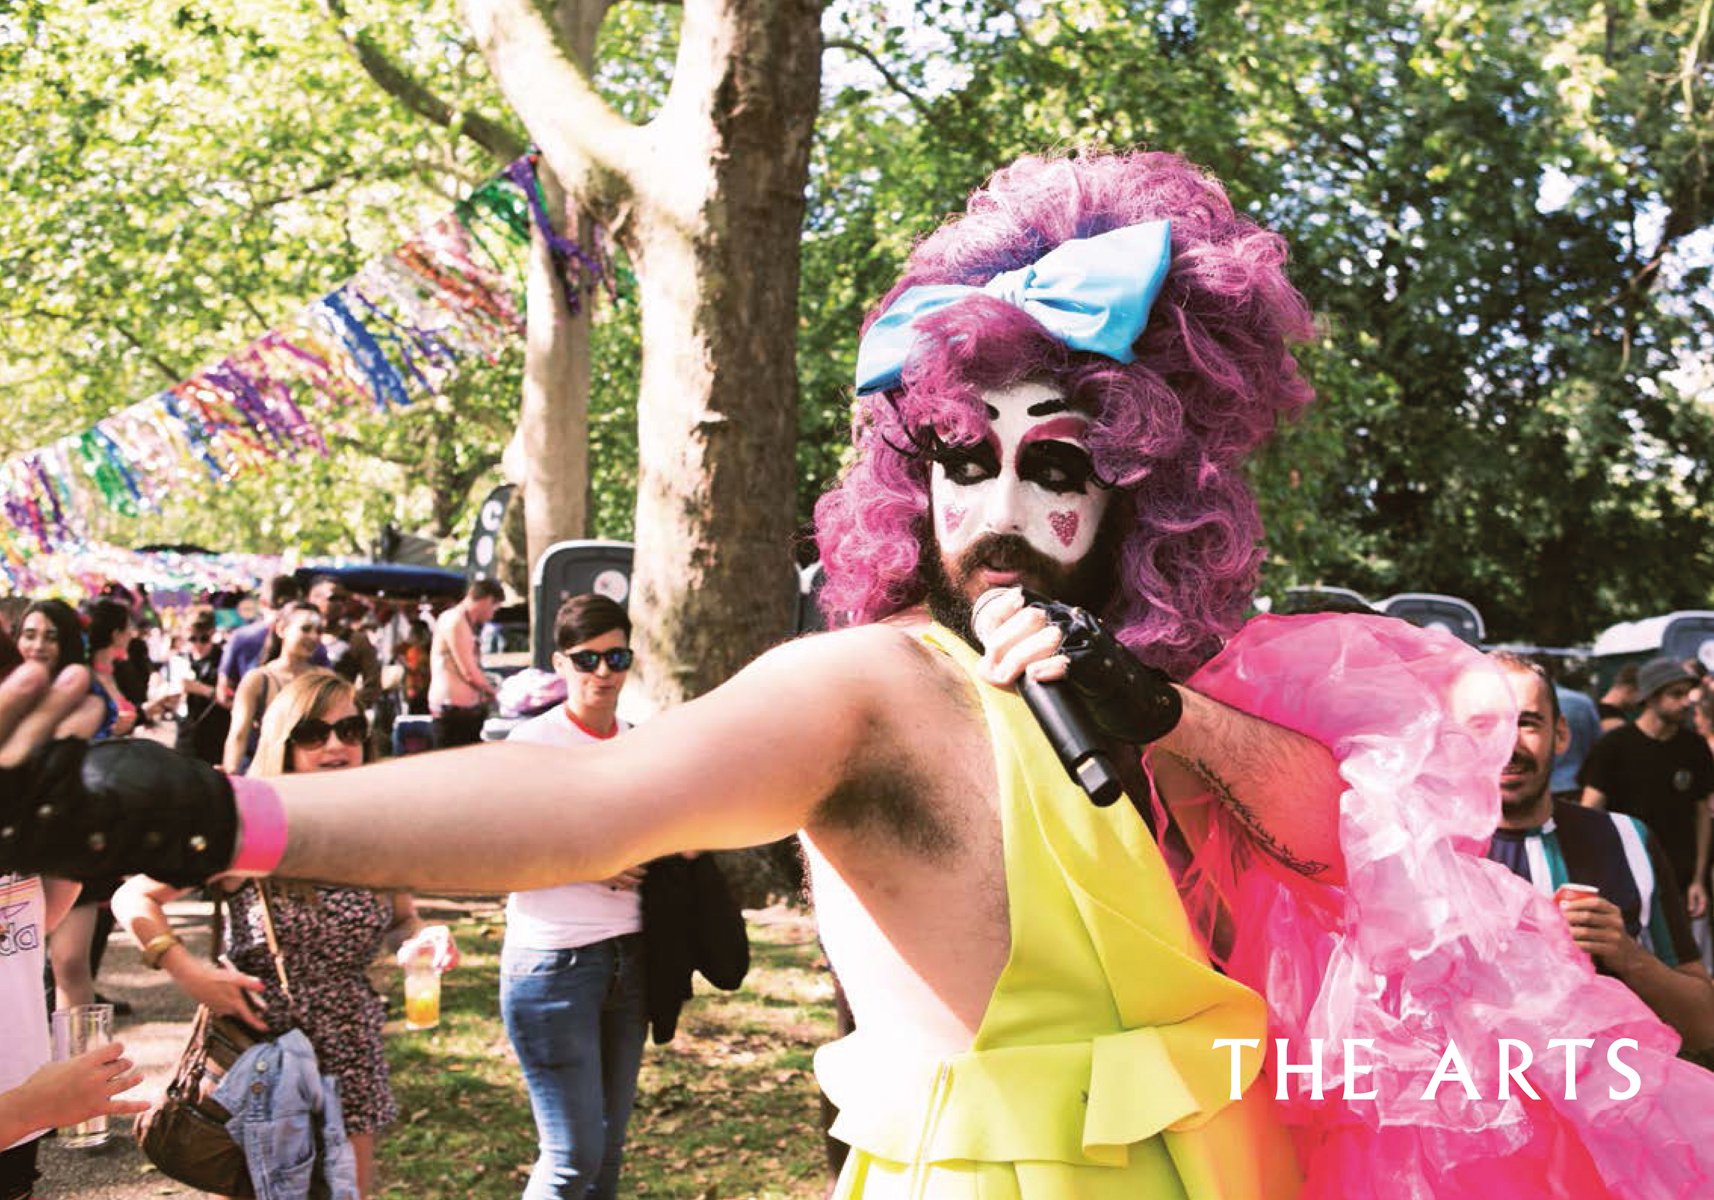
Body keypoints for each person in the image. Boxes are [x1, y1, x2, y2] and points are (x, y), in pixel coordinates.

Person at [9, 151, 1714, 1196]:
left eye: (1057, 464)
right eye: (961, 457)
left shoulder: (1192, 680)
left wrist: (1158, 708)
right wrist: (230, 810)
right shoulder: (873, 689)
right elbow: (599, 797)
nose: (997, 506)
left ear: (1145, 482)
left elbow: (1339, 844)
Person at [113, 670, 456, 1199]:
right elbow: (133, 897)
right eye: (313, 734)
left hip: (349, 1049)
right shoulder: (251, 821)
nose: (336, 745)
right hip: (262, 1052)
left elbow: (400, 919)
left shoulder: (379, 828)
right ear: (283, 743)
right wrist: (186, 970)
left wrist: (421, 937)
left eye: (349, 729)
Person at [1481, 652, 1714, 1050]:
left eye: (1527, 722)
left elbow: (1705, 1025)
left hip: (1608, 1103)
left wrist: (1628, 956)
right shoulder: (1420, 852)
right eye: (1484, 724)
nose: (1507, 741)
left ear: (1561, 735)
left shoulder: (1628, 840)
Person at [501, 594, 651, 1200]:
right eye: (587, 659)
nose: (604, 673)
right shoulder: (533, 745)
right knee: (572, 1157)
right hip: (553, 965)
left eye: (617, 657)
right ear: (559, 664)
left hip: (630, 960)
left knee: (607, 1156)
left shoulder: (642, 742)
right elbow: (501, 853)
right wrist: (594, 863)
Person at [1580, 655, 1712, 956]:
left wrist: (1699, 878)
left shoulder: (1693, 747)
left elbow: (1702, 813)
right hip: (1625, 879)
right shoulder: (1614, 746)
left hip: (1681, 880)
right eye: (1675, 695)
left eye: (1687, 694)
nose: (1686, 703)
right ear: (1651, 697)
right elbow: (1589, 813)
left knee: (1691, 967)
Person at [224, 601, 325, 774]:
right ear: (281, 629)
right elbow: (239, 734)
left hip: (314, 777)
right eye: (306, 629)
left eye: (319, 631)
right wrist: (230, 772)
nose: (314, 637)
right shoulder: (258, 680)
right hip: (269, 776)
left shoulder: (325, 679)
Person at [217, 575, 326, 707]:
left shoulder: (241, 637)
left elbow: (224, 693)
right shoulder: (313, 643)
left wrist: (250, 711)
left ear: (262, 602)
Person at [428, 578, 502, 748]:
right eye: (494, 607)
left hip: (462, 712)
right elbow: (468, 671)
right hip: (452, 712)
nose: (492, 614)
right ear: (488, 600)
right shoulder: (455, 621)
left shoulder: (464, 622)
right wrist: (494, 692)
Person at [166, 613, 231, 766]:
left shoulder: (224, 660)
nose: (198, 645)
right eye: (192, 639)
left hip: (216, 735)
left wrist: (202, 689)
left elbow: (233, 700)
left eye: (204, 639)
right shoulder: (179, 660)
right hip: (185, 733)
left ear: (213, 634)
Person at [307, 576, 381, 708]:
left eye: (343, 599)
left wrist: (348, 708)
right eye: (333, 598)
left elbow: (373, 685)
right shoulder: (300, 638)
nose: (340, 604)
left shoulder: (357, 640)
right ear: (313, 599)